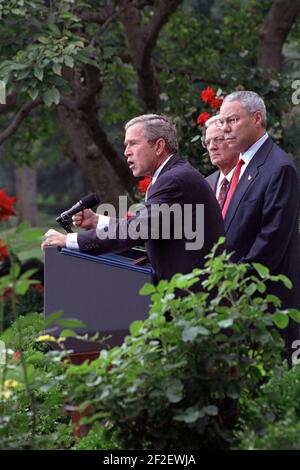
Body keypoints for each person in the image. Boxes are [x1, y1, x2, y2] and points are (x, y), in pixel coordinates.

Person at [42, 114, 225, 285]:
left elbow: (137, 230)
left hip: (195, 298)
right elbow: (146, 227)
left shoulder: (174, 180)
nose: (126, 152)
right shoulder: (170, 176)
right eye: (125, 145)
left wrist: (69, 241)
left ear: (159, 146)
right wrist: (97, 221)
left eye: (133, 144)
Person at [216, 90, 300, 358]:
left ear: (257, 119)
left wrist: (231, 283)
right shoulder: (240, 167)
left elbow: (270, 242)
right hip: (236, 302)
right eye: (221, 122)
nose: (225, 129)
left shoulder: (278, 167)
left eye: (232, 120)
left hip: (262, 301)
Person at [204, 115, 239, 209]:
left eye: (218, 140)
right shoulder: (205, 184)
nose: (211, 147)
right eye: (207, 143)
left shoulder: (250, 179)